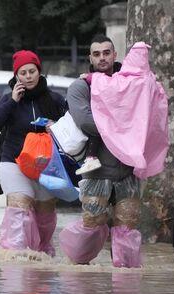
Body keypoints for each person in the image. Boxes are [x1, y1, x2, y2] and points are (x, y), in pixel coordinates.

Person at [59, 35, 145, 268]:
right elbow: (85, 121)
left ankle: (127, 285)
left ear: (115, 54)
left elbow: (145, 110)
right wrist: (123, 124)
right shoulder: (80, 86)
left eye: (106, 53)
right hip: (96, 171)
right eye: (96, 54)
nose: (102, 58)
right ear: (90, 57)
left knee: (128, 225)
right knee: (93, 223)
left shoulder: (130, 82)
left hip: (128, 169)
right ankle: (74, 271)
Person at [0, 50, 67, 257]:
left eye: (32, 71)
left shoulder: (55, 100)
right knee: (19, 208)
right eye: (23, 73)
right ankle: (14, 255)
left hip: (47, 166)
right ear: (16, 76)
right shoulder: (8, 99)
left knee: (45, 215)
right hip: (13, 162)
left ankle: (40, 254)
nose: (28, 76)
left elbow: (72, 130)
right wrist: (13, 101)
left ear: (39, 72)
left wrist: (56, 126)